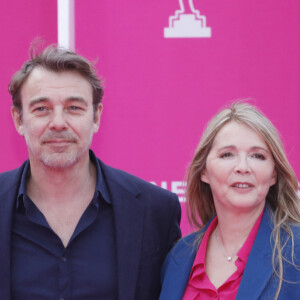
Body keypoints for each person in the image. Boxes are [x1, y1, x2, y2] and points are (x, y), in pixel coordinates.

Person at [0, 44, 181, 300]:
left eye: (74, 108)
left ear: (96, 117)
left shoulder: (155, 211)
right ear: (19, 120)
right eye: (42, 109)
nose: (59, 123)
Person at [159, 102, 300, 300]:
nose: (243, 167)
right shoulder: (178, 257)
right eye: (227, 155)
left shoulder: (296, 250)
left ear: (274, 175)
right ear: (204, 172)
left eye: (258, 156)